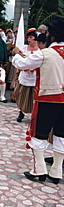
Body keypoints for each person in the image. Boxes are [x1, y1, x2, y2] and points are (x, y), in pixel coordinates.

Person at [13, 16, 64, 184]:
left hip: (47, 99)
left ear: (53, 36)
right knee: (61, 136)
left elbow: (23, 64)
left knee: (38, 135)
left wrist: (16, 55)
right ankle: (56, 172)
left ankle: (39, 169)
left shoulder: (46, 54)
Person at [13, 28, 39, 122]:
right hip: (24, 75)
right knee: (22, 94)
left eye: (31, 37)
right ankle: (21, 111)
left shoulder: (40, 50)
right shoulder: (23, 48)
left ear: (35, 38)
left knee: (34, 96)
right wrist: (16, 52)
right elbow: (16, 56)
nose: (29, 39)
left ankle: (35, 115)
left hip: (35, 76)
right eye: (28, 37)